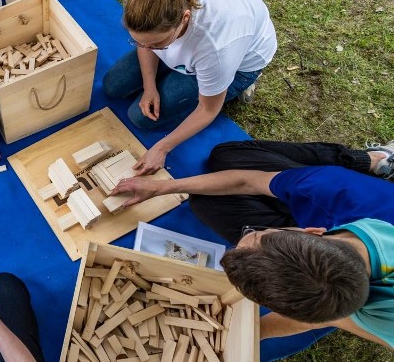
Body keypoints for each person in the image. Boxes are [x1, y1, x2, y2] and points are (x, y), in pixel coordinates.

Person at [110, 139, 394, 347]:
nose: (246, 237)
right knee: (226, 156)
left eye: (256, 234)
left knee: (210, 204)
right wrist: (162, 187)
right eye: (258, 235)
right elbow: (248, 181)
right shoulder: (328, 189)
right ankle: (372, 159)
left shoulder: (382, 317)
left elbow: (333, 317)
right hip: (334, 193)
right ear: (313, 232)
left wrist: (249, 334)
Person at [103, 0, 277, 176]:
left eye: (156, 44)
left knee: (141, 118)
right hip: (190, 50)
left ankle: (242, 84)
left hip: (240, 65)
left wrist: (161, 147)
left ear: (184, 18)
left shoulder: (216, 48)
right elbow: (146, 43)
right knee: (113, 85)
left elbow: (208, 110)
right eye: (139, 42)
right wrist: (149, 86)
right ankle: (173, 60)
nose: (147, 49)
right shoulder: (152, 0)